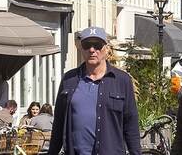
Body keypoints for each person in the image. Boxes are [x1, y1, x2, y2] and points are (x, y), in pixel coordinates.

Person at [50, 27, 141, 155]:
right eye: (87, 45)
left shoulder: (122, 80)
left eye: (97, 45)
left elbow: (131, 124)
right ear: (81, 48)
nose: (92, 50)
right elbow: (59, 123)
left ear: (106, 48)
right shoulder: (69, 79)